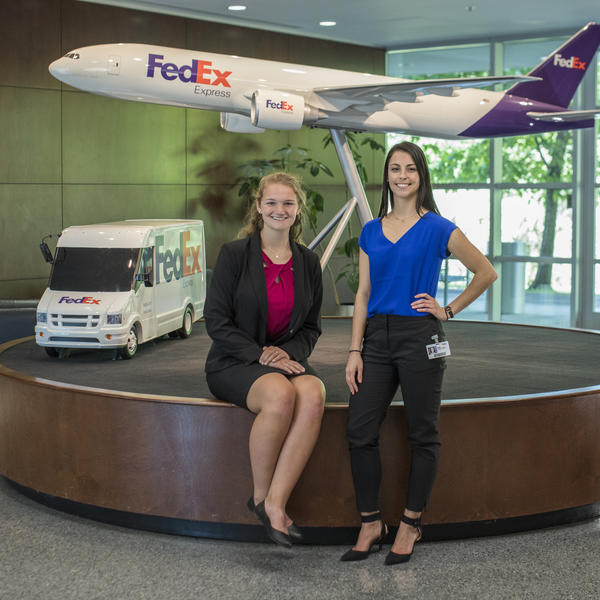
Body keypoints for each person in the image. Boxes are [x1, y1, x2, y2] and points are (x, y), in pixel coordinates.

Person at [341, 141, 497, 565]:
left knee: (422, 432)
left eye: (411, 169)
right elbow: (363, 293)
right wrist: (354, 349)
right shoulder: (371, 230)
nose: (402, 176)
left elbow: (486, 272)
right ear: (387, 175)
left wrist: (447, 310)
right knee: (359, 430)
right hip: (375, 338)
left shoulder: (438, 228)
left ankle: (410, 523)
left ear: (421, 176)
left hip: (419, 336)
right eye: (395, 169)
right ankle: (371, 521)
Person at [204, 172, 325, 548]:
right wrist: (260, 355)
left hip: (284, 357)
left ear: (297, 209)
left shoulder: (308, 262)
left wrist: (284, 354)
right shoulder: (234, 255)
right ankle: (260, 498)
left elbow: (310, 328)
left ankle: (277, 501)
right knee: (280, 395)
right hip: (234, 360)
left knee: (314, 393)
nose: (279, 210)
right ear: (259, 207)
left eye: (288, 203)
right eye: (271, 202)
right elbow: (216, 321)